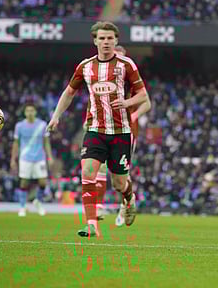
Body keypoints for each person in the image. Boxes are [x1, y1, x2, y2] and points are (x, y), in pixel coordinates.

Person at [47, 21, 148, 237]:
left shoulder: (126, 65)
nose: (106, 42)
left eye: (110, 38)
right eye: (102, 38)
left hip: (121, 132)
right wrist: (56, 116)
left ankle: (129, 199)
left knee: (119, 182)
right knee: (88, 172)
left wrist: (127, 103)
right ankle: (92, 224)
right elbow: (69, 93)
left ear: (116, 41)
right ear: (95, 41)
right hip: (95, 130)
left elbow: (143, 96)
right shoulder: (85, 67)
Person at [90, 44, 151, 226]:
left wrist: (133, 114)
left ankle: (125, 204)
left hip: (127, 129)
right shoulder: (104, 80)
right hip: (104, 128)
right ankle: (99, 207)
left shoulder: (130, 80)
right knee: (100, 166)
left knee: (120, 173)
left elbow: (147, 102)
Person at [10, 103, 53, 217]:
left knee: (43, 182)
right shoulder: (19, 126)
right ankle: (22, 207)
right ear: (25, 113)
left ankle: (38, 201)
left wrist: (50, 157)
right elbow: (16, 143)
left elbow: (46, 142)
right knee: (24, 182)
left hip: (40, 157)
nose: (30, 113)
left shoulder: (42, 125)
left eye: (32, 110)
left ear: (35, 112)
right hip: (25, 158)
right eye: (27, 111)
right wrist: (13, 159)